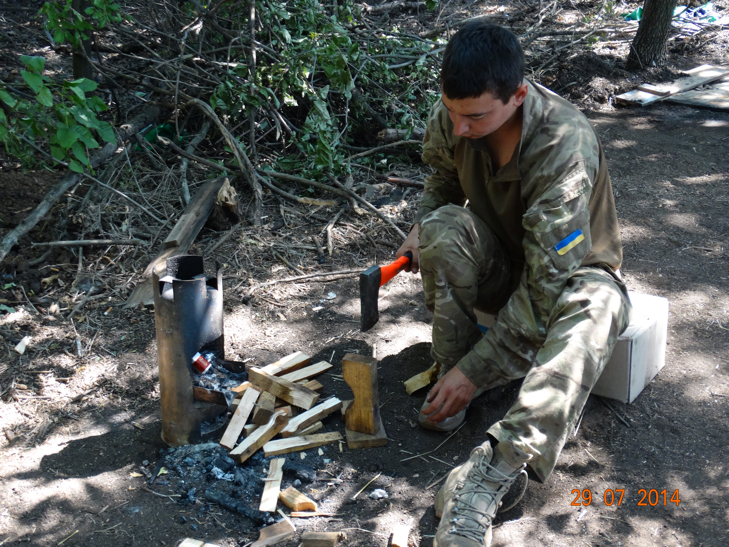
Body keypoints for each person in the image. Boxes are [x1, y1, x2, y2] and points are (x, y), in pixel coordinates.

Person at [395, 21, 632, 547]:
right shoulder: (457, 114)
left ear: (518, 96)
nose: (459, 127)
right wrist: (425, 225)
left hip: (575, 273)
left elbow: (549, 284)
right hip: (504, 260)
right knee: (441, 229)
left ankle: (491, 472)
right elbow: (441, 179)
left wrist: (477, 373)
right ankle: (446, 378)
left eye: (475, 116)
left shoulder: (562, 143)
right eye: (452, 112)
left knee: (594, 308)